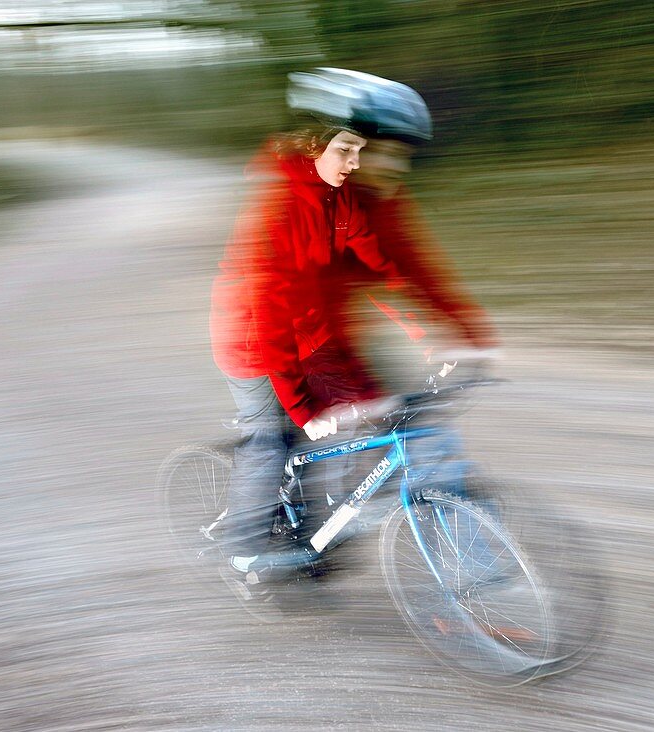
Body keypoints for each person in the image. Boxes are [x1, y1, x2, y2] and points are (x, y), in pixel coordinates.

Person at [209, 68, 493, 592]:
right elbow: (269, 309)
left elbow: (406, 267)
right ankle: (245, 548)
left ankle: (331, 531)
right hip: (256, 342)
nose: (392, 166)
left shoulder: (364, 197)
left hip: (324, 338)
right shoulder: (286, 202)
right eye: (382, 151)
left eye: (402, 154)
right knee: (273, 440)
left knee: (397, 420)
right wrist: (303, 406)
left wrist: (463, 335)